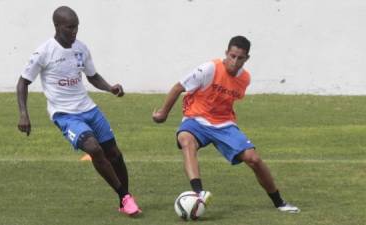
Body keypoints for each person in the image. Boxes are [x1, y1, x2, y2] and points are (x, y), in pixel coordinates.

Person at [16, 6, 141, 216]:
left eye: (76, 27)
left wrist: (110, 88)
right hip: (64, 114)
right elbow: (22, 83)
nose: (74, 31)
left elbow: (92, 76)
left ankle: (124, 199)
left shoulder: (80, 48)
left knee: (114, 154)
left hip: (89, 108)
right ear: (57, 26)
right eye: (69, 27)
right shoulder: (43, 52)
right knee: (94, 149)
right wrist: (23, 113)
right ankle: (124, 196)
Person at [152, 36, 300, 213]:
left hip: (224, 124)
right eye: (232, 56)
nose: (235, 62)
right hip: (196, 119)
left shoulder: (245, 79)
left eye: (240, 58)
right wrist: (162, 113)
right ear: (226, 53)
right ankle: (199, 194)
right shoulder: (209, 69)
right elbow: (178, 87)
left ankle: (279, 202)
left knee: (254, 159)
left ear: (247, 58)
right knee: (186, 140)